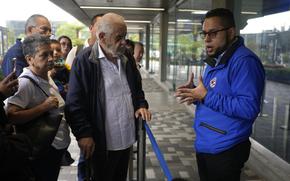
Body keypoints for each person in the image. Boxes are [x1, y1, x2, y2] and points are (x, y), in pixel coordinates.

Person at [175, 8, 265, 181]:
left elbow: (249, 108)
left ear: (230, 32)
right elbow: (214, 95)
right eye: (204, 34)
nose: (207, 40)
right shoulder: (216, 59)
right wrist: (196, 93)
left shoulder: (244, 62)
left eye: (213, 33)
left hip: (226, 149)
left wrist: (206, 96)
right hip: (206, 143)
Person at [65, 12, 151, 181]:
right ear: (102, 37)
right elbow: (74, 103)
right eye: (119, 37)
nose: (124, 42)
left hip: (126, 139)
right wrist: (83, 134)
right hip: (101, 143)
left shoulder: (126, 56)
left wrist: (141, 104)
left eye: (125, 36)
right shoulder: (85, 61)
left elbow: (137, 88)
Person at [6, 34, 70, 181]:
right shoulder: (25, 83)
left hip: (54, 148)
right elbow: (11, 115)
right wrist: (43, 107)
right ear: (30, 59)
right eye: (44, 55)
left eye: (50, 54)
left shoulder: (46, 76)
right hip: (42, 151)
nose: (50, 58)